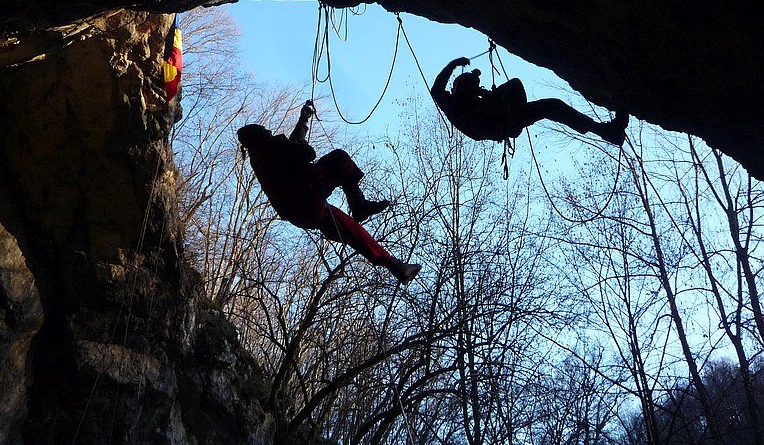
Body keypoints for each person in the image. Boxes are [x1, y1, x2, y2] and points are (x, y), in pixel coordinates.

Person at [237, 100, 422, 285]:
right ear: (259, 135)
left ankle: (396, 266)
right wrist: (297, 142)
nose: (269, 131)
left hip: (302, 214)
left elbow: (293, 146)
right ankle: (359, 205)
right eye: (265, 130)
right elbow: (307, 153)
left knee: (351, 229)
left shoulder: (261, 156)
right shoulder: (272, 147)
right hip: (307, 196)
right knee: (339, 159)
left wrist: (303, 120)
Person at [431, 57, 629, 145]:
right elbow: (436, 89)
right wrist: (453, 64)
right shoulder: (453, 104)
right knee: (526, 91)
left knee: (552, 105)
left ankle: (606, 131)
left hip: (504, 121)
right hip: (502, 123)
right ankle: (607, 131)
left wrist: (489, 96)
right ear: (459, 87)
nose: (474, 87)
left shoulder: (473, 100)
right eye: (470, 84)